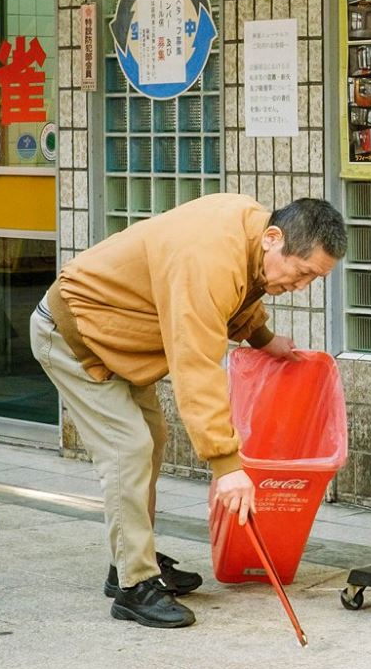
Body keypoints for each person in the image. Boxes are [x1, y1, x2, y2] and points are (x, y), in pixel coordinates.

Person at [30, 193, 345, 628]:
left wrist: (263, 339)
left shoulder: (252, 234)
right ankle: (133, 587)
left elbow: (240, 295)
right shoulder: (209, 256)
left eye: (314, 279)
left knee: (151, 441)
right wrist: (227, 465)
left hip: (119, 341)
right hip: (74, 336)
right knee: (129, 450)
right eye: (303, 273)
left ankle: (130, 560)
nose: (301, 286)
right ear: (275, 238)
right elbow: (196, 363)